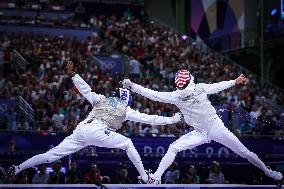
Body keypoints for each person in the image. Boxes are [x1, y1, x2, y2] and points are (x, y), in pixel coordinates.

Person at [5, 62, 181, 184]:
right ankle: (144, 177)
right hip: (97, 130)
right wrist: (172, 119)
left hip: (81, 130)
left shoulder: (103, 99)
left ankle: (17, 168)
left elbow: (86, 90)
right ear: (127, 100)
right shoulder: (127, 110)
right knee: (128, 143)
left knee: (51, 156)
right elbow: (151, 119)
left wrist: (74, 75)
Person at [122, 70, 283, 186]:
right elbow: (217, 86)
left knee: (244, 152)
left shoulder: (176, 95)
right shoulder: (196, 89)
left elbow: (152, 94)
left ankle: (269, 173)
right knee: (174, 147)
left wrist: (133, 86)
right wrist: (234, 81)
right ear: (190, 79)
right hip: (201, 131)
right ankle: (156, 177)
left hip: (214, 127)